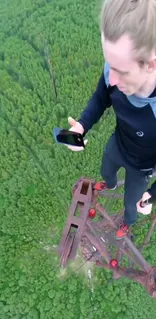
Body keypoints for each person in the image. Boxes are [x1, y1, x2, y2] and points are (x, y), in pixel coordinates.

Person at [67, 0, 156, 239]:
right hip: (119, 144)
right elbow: (101, 97)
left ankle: (128, 222)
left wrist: (153, 194)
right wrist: (82, 125)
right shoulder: (113, 71)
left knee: (131, 203)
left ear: (151, 64)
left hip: (142, 168)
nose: (112, 78)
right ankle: (111, 183)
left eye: (121, 70)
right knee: (106, 171)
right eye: (110, 65)